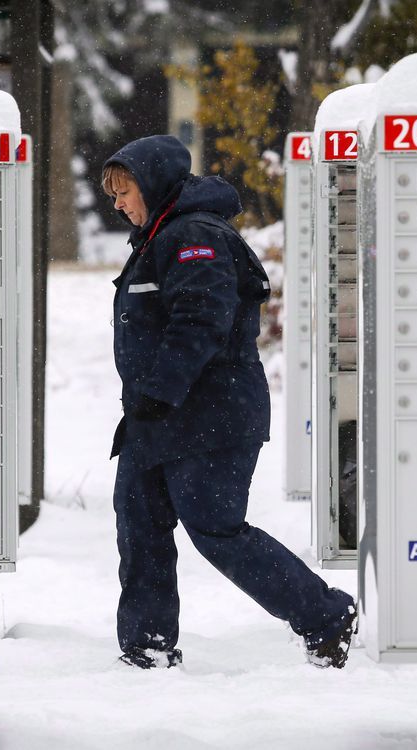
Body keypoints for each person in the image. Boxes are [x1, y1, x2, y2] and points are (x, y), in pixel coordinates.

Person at [102, 135, 356, 670]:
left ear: (152, 183)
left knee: (217, 531)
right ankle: (147, 646)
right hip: (160, 418)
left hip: (210, 416)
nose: (119, 204)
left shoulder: (195, 236)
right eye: (115, 195)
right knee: (139, 522)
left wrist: (158, 390)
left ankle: (326, 615)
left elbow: (202, 320)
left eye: (125, 191)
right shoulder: (158, 236)